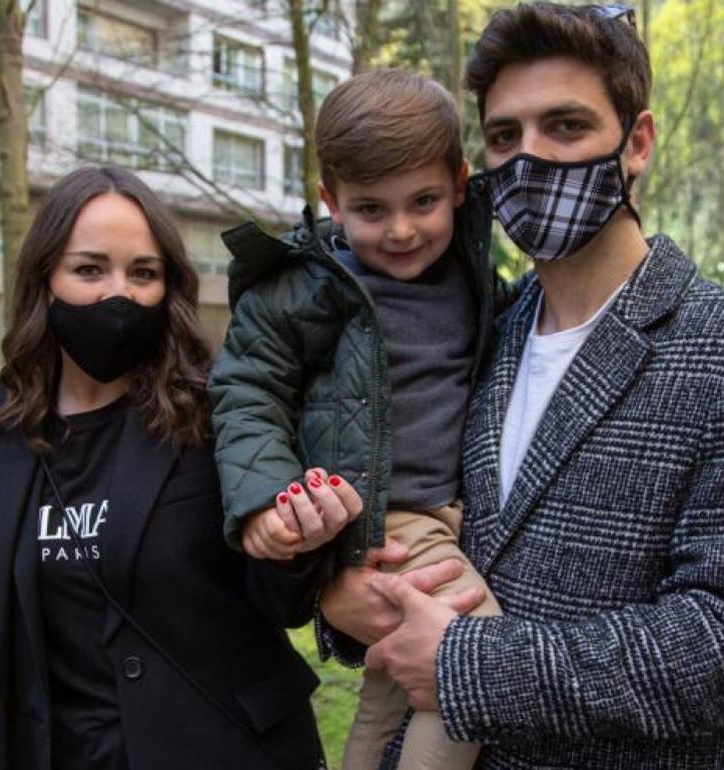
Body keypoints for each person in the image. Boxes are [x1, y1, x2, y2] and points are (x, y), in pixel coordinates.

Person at [318, 5, 724, 769]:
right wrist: (340, 603)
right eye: (503, 138)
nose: (529, 160)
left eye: (565, 126)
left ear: (638, 143)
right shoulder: (481, 323)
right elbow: (408, 506)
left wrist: (471, 665)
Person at [0, 166, 348, 770]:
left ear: (167, 288)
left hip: (227, 747)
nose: (116, 294)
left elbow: (280, 599)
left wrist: (293, 545)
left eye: (142, 273)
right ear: (46, 280)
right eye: (89, 269)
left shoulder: (221, 410)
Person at [207, 70, 503, 770]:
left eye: (423, 202)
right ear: (330, 201)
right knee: (470, 653)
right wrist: (262, 503)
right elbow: (247, 390)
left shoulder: (473, 274)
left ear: (460, 184)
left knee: (391, 687)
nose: (402, 230)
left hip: (446, 514)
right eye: (372, 209)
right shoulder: (304, 286)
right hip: (378, 521)